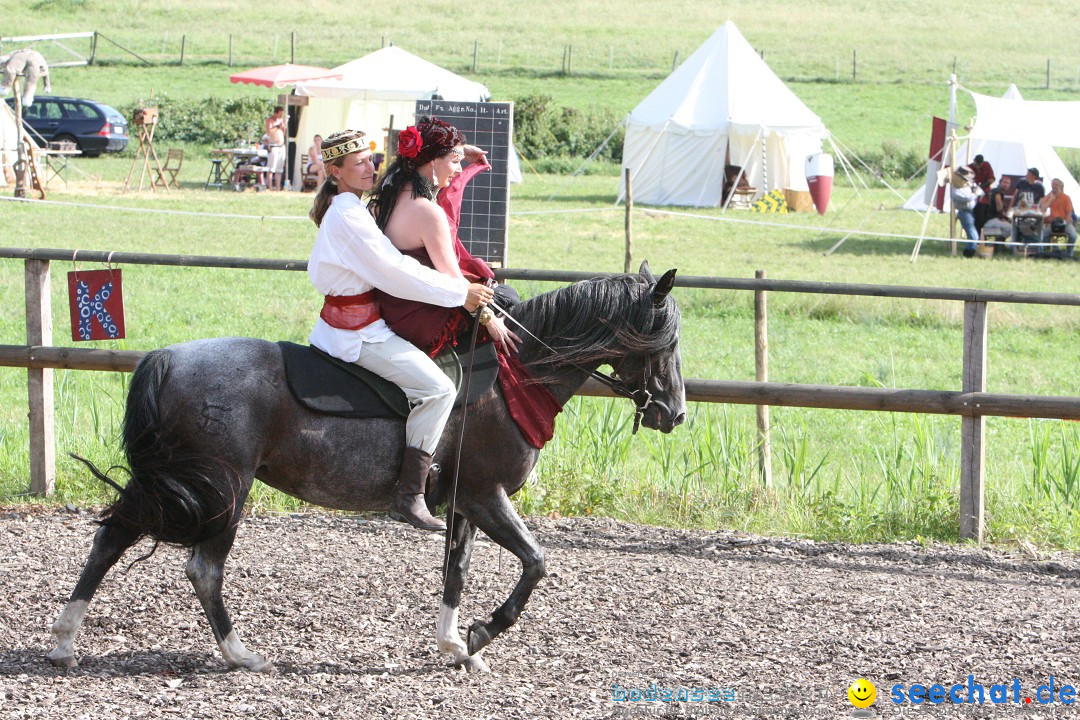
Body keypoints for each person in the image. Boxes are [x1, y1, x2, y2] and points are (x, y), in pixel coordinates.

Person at [307, 129, 494, 531]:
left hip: (352, 324)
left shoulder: (356, 206)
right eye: (357, 163)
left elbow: (408, 173)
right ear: (335, 172)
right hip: (355, 334)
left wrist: (463, 156)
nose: (368, 167)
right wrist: (460, 292)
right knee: (439, 389)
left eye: (370, 159)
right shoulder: (348, 215)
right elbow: (394, 273)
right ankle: (409, 496)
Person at [368, 117, 564, 450]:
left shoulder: (390, 193)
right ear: (431, 161)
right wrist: (489, 320)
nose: (459, 169)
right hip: (418, 313)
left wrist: (458, 152)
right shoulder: (427, 212)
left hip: (393, 302)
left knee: (501, 299)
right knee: (505, 311)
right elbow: (454, 283)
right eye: (454, 160)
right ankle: (475, 436)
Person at [1038, 178, 1077, 257]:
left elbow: (1069, 214)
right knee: (1043, 234)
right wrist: (1050, 200)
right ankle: (1046, 253)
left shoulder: (1066, 198)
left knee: (1073, 235)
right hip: (1052, 222)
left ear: (1060, 186)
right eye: (1053, 184)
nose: (1054, 186)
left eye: (1056, 185)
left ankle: (1069, 254)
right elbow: (1042, 209)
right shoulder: (1049, 196)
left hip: (1065, 222)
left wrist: (1064, 223)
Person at [950, 166, 982, 257]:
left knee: (973, 234)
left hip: (972, 211)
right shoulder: (956, 190)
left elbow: (978, 191)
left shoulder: (967, 186)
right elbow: (967, 198)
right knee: (973, 235)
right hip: (964, 212)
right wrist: (975, 193)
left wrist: (976, 189)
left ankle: (969, 251)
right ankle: (969, 253)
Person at [979, 175, 1013, 247]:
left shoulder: (993, 190)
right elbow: (998, 204)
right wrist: (1003, 218)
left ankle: (998, 245)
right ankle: (997, 245)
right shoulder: (998, 192)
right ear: (1000, 182)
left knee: (1007, 225)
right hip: (989, 220)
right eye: (1005, 182)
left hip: (986, 220)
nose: (1006, 185)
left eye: (1008, 183)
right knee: (1011, 228)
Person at [971, 154, 996, 233]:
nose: (977, 166)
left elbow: (991, 179)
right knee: (975, 218)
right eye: (976, 164)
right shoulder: (969, 167)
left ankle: (981, 238)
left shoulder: (986, 165)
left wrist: (981, 186)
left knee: (983, 219)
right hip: (972, 197)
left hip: (984, 198)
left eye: (979, 164)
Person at [265, 106, 287, 191]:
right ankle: (270, 187)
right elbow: (269, 131)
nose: (281, 116)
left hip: (281, 146)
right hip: (273, 146)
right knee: (271, 168)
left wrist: (283, 126)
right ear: (276, 113)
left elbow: (283, 133)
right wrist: (277, 126)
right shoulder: (269, 121)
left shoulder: (281, 121)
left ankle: (278, 188)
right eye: (280, 114)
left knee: (279, 169)